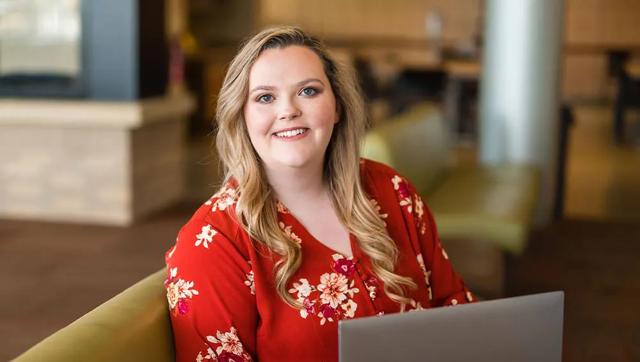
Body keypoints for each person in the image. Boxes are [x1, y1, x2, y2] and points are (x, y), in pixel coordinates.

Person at [164, 26, 474, 362]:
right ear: (242, 116)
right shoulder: (214, 243)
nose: (288, 111)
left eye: (308, 91)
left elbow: (455, 308)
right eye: (265, 97)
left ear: (337, 107)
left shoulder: (392, 192)